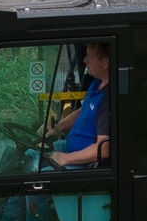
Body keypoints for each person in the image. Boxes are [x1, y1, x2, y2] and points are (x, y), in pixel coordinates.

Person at [48, 41, 111, 169]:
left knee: (40, 173)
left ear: (105, 63)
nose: (85, 60)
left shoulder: (108, 99)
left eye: (90, 57)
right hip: (69, 146)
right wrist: (58, 126)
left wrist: (65, 158)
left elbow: (104, 149)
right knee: (31, 154)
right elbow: (83, 111)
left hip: (85, 163)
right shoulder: (96, 84)